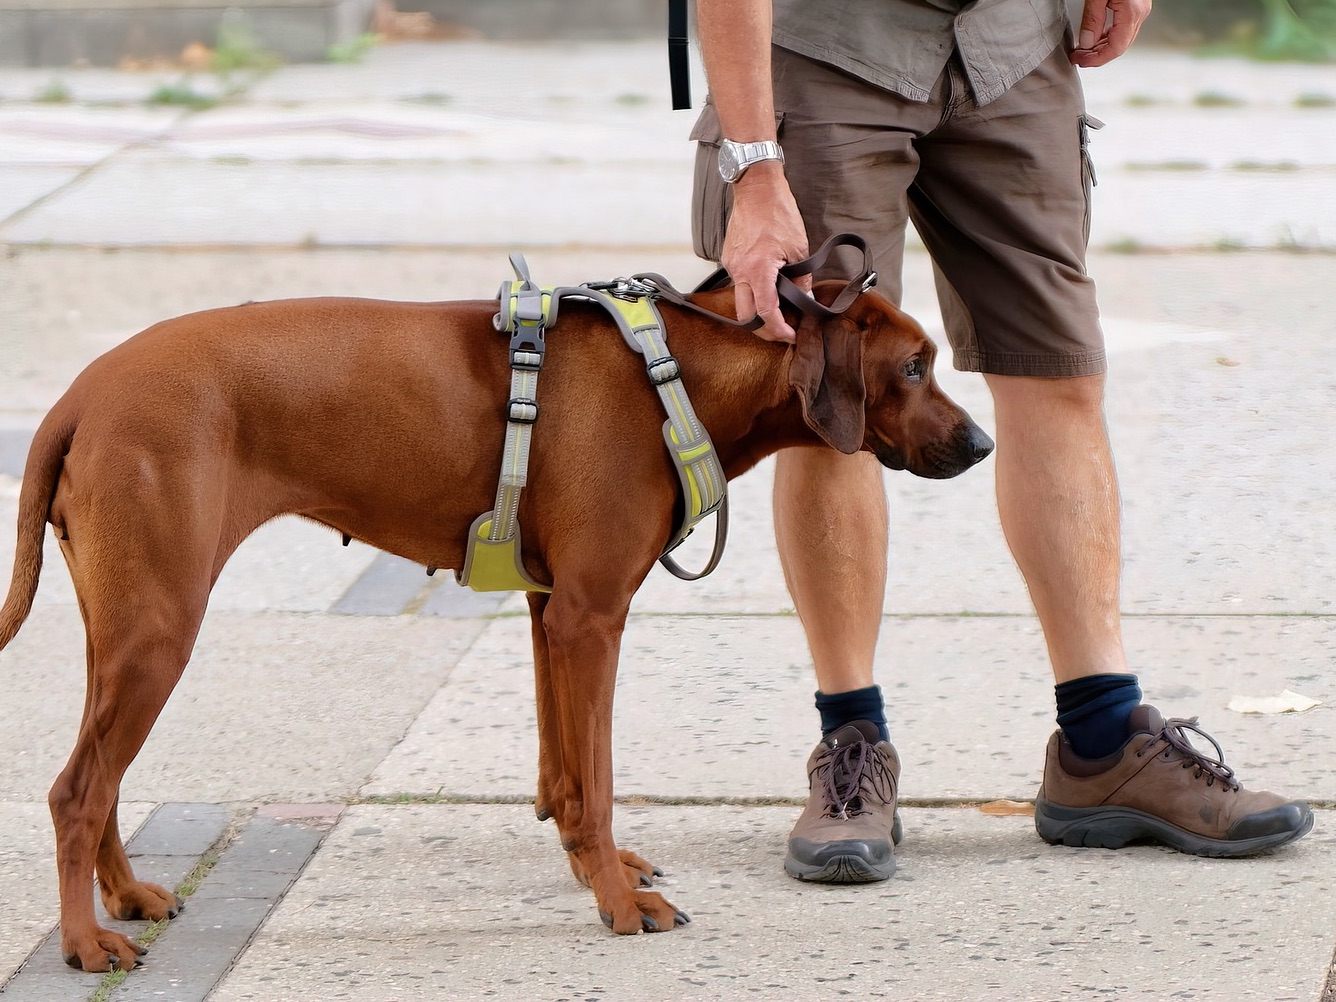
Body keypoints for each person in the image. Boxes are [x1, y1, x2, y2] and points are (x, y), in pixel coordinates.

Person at [692, 0, 1314, 882]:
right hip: (825, 48)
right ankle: (851, 745)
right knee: (829, 402)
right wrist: (754, 167)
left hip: (1011, 42)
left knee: (1061, 372)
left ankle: (1103, 745)